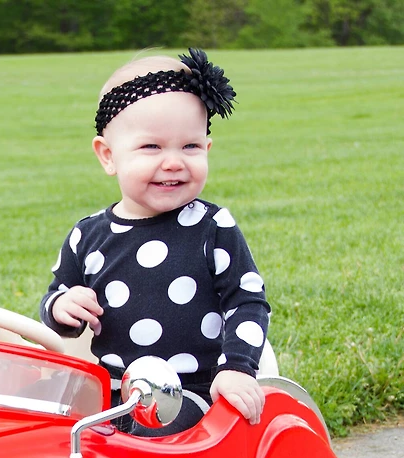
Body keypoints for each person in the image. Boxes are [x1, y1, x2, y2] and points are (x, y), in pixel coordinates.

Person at [40, 49, 270, 435]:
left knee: (149, 435)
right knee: (49, 428)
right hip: (110, 393)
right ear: (108, 156)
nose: (174, 161)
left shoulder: (212, 227)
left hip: (188, 392)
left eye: (190, 146)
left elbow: (247, 301)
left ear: (207, 149)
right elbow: (54, 308)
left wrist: (236, 368)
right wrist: (62, 306)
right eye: (152, 147)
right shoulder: (88, 235)